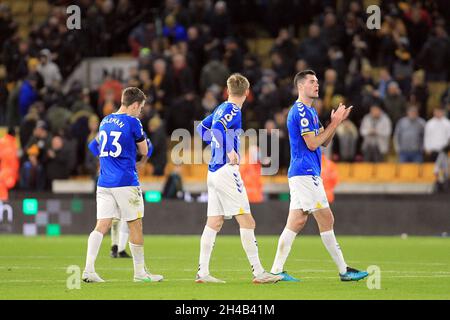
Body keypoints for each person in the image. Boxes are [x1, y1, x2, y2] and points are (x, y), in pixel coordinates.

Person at [270, 70, 369, 282]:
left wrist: (335, 122)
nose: (317, 85)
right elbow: (312, 143)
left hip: (303, 172)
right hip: (305, 172)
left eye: (317, 81)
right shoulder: (301, 112)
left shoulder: (311, 112)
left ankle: (276, 271)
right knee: (326, 218)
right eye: (312, 82)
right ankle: (344, 271)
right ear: (300, 86)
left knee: (296, 221)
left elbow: (323, 142)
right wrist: (334, 124)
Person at [195, 74, 282, 284]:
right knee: (247, 220)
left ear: (227, 89)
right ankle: (259, 272)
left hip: (213, 171)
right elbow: (215, 130)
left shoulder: (219, 108)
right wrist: (228, 150)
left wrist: (217, 146)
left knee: (214, 222)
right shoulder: (233, 109)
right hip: (226, 170)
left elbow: (202, 129)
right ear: (247, 92)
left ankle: (203, 273)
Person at [82, 87, 162, 283]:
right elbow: (144, 149)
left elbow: (97, 147)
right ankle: (140, 273)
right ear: (134, 105)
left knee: (102, 225)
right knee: (135, 224)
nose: (140, 111)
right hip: (125, 181)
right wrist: (140, 156)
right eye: (140, 108)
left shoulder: (105, 120)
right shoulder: (133, 121)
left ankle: (88, 270)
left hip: (104, 182)